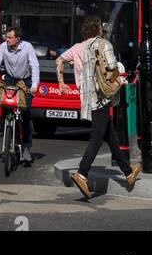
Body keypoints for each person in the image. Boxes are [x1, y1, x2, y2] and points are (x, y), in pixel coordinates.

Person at [57, 16, 141, 200]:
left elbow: (60, 61)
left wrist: (61, 82)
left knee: (110, 136)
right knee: (96, 137)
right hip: (102, 96)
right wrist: (120, 81)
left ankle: (128, 172)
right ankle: (82, 172)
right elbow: (111, 68)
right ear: (99, 29)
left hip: (88, 97)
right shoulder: (104, 44)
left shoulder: (82, 47)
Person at [0, 25, 40, 164]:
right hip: (10, 78)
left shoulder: (27, 47)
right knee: (6, 105)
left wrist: (34, 86)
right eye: (6, 37)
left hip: (25, 80)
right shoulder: (3, 47)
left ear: (18, 39)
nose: (7, 39)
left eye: (10, 37)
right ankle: (7, 128)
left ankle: (27, 147)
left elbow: (34, 66)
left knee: (26, 113)